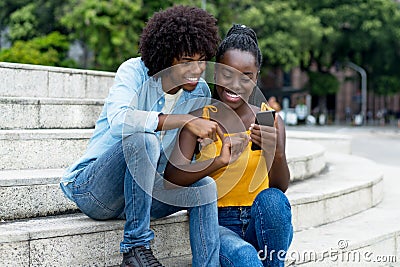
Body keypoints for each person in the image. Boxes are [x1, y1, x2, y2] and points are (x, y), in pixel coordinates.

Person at [59, 6, 221, 267]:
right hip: (97, 190)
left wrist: (201, 146)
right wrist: (184, 121)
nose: (197, 69)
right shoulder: (133, 72)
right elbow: (119, 121)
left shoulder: (199, 90)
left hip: (145, 193)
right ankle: (135, 248)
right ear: (166, 57)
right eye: (186, 60)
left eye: (202, 59)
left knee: (204, 187)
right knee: (142, 138)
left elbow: (176, 164)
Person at [164, 24, 293, 267]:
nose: (235, 84)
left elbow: (280, 187)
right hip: (217, 224)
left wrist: (276, 151)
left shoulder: (269, 120)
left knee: (273, 200)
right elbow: (171, 179)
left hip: (260, 223)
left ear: (257, 78)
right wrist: (218, 161)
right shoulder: (199, 118)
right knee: (246, 259)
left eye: (246, 77)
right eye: (227, 74)